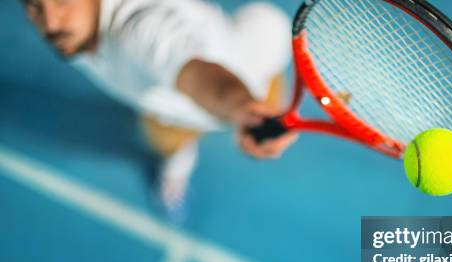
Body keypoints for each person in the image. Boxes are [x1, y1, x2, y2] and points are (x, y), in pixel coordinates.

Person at [21, 0, 298, 219]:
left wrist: (243, 107)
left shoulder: (143, 30)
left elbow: (200, 76)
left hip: (249, 78)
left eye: (62, 1)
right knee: (167, 140)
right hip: (169, 104)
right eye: (34, 5)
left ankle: (175, 170)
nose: (50, 23)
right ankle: (178, 163)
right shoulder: (76, 28)